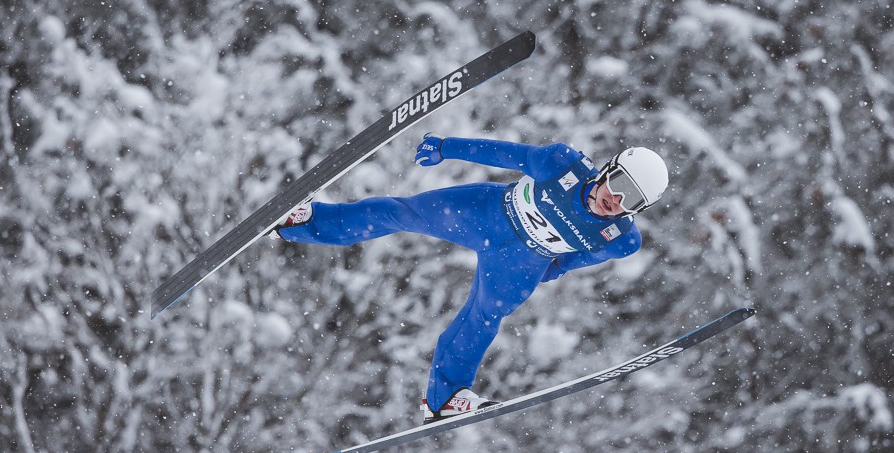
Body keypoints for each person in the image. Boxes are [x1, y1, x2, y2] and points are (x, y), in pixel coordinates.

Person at [272, 134, 669, 423]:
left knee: (483, 317)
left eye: (631, 201)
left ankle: (445, 398)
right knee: (400, 212)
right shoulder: (561, 164)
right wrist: (447, 147)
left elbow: (583, 256)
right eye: (619, 185)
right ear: (609, 169)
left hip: (520, 262)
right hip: (487, 212)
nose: (616, 201)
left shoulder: (621, 239)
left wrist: (553, 268)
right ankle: (304, 222)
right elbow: (504, 153)